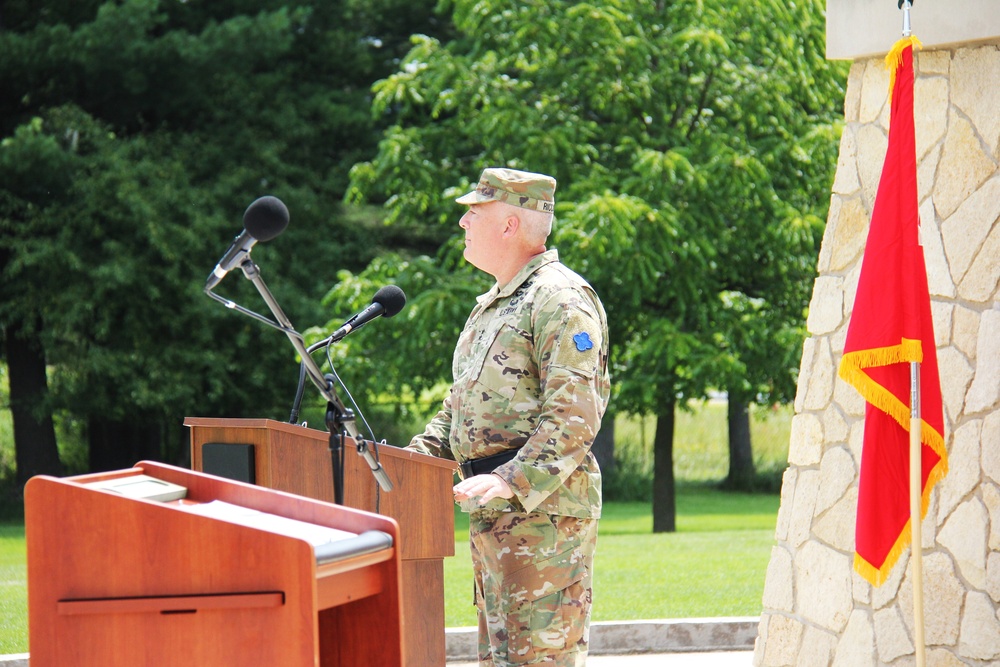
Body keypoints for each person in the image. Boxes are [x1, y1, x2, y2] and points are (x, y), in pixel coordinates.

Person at [407, 167, 611, 667]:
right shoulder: (494, 306)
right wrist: (410, 461)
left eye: (474, 212)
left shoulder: (559, 299)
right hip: (494, 514)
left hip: (541, 518)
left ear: (509, 226)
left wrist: (510, 480)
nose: (463, 224)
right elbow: (460, 406)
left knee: (539, 661)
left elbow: (574, 415)